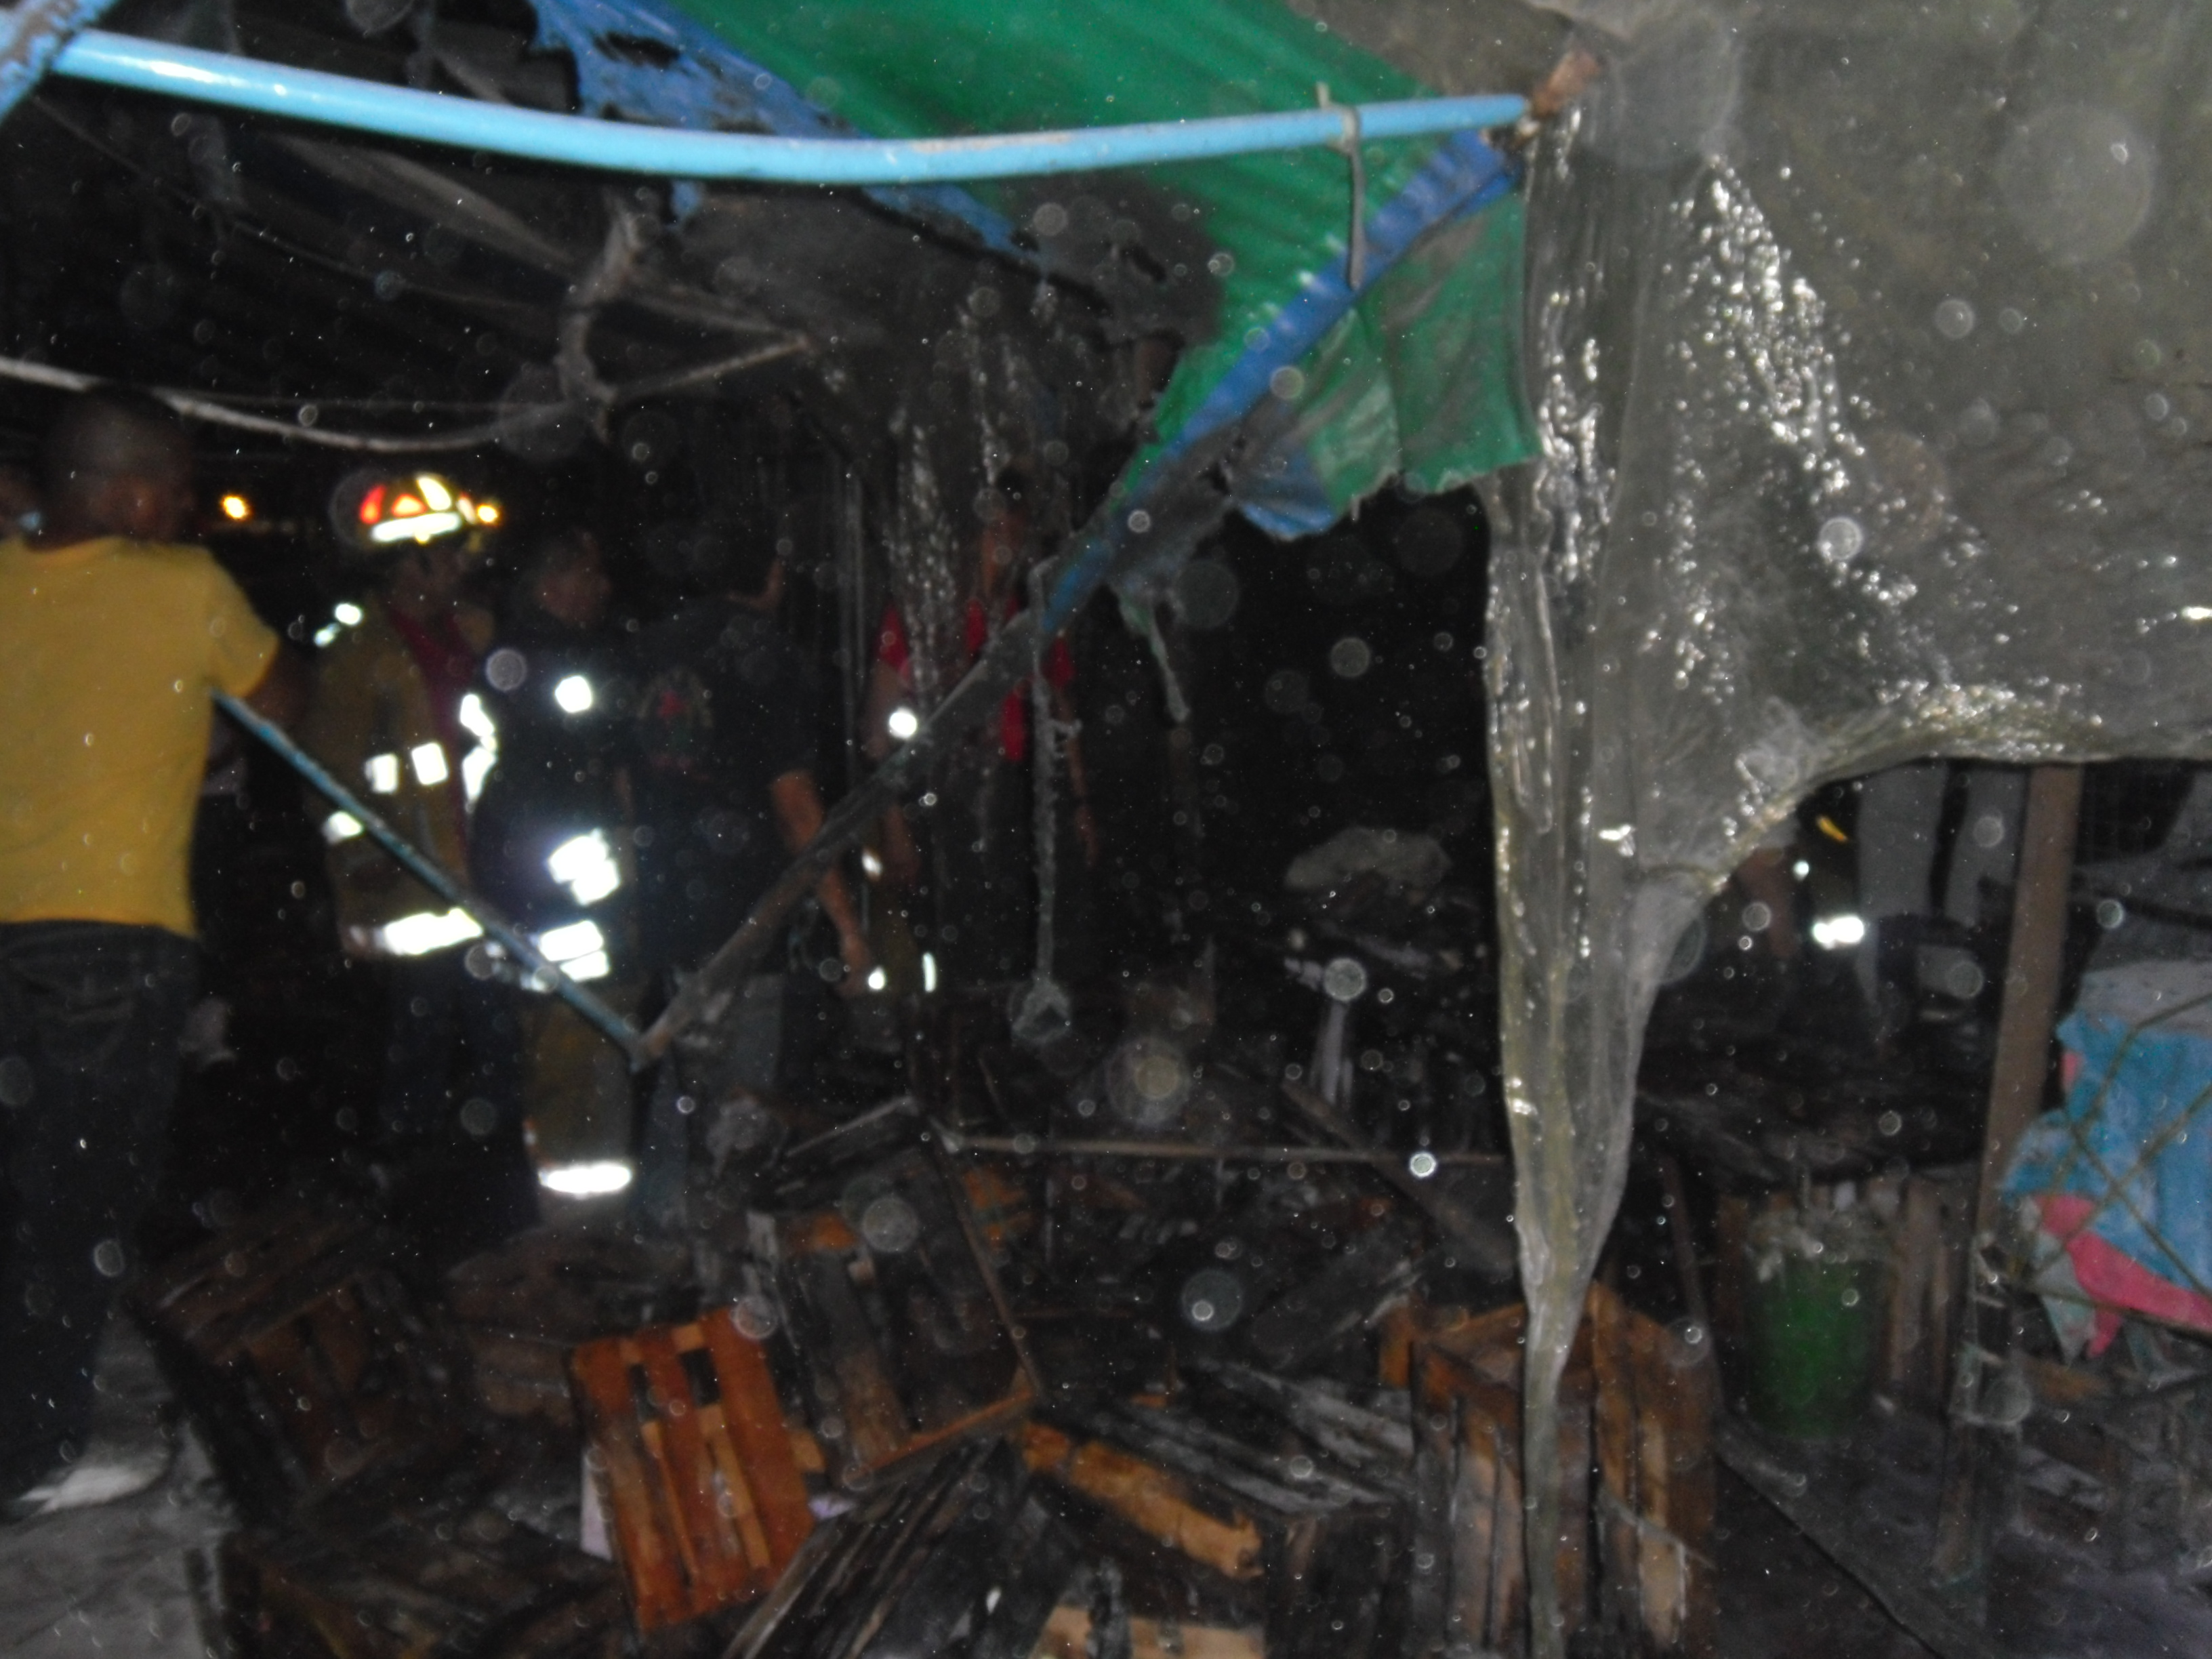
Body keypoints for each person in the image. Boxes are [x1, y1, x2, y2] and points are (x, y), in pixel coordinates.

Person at [0, 390, 303, 1513]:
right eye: (175, 489)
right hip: (109, 942)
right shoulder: (181, 587)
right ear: (128, 494)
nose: (186, 509)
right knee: (76, 1199)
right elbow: (280, 700)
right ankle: (32, 1456)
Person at [630, 531, 871, 1226]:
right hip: (743, 908)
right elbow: (795, 805)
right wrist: (846, 924)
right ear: (771, 575)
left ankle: (661, 1226)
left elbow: (624, 781)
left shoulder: (654, 647)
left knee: (682, 1071)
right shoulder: (765, 655)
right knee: (739, 1097)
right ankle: (718, 1241)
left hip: (669, 891)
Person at [301, 491, 520, 1170]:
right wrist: (363, 854)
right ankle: (404, 1170)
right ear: (407, 567)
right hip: (412, 889)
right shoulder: (358, 658)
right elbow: (329, 775)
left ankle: (491, 1168)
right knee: (419, 1034)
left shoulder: (477, 635)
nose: (461, 568)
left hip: (485, 871)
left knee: (501, 1036)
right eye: (446, 556)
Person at [865, 467, 1097, 987]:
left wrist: (1079, 803)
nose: (1005, 540)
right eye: (995, 527)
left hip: (1025, 793)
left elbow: (1061, 709)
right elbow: (878, 729)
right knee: (966, 950)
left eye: (1014, 526)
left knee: (1038, 944)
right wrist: (894, 826)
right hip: (950, 799)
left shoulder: (1032, 609)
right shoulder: (924, 612)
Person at [468, 530, 640, 1196]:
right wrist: (617, 892)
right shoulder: (552, 666)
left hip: (532, 890)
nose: (603, 589)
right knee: (578, 1046)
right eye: (586, 574)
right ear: (549, 585)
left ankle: (556, 1184)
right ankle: (579, 1207)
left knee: (559, 1043)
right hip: (566, 900)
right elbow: (578, 785)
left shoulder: (514, 657)